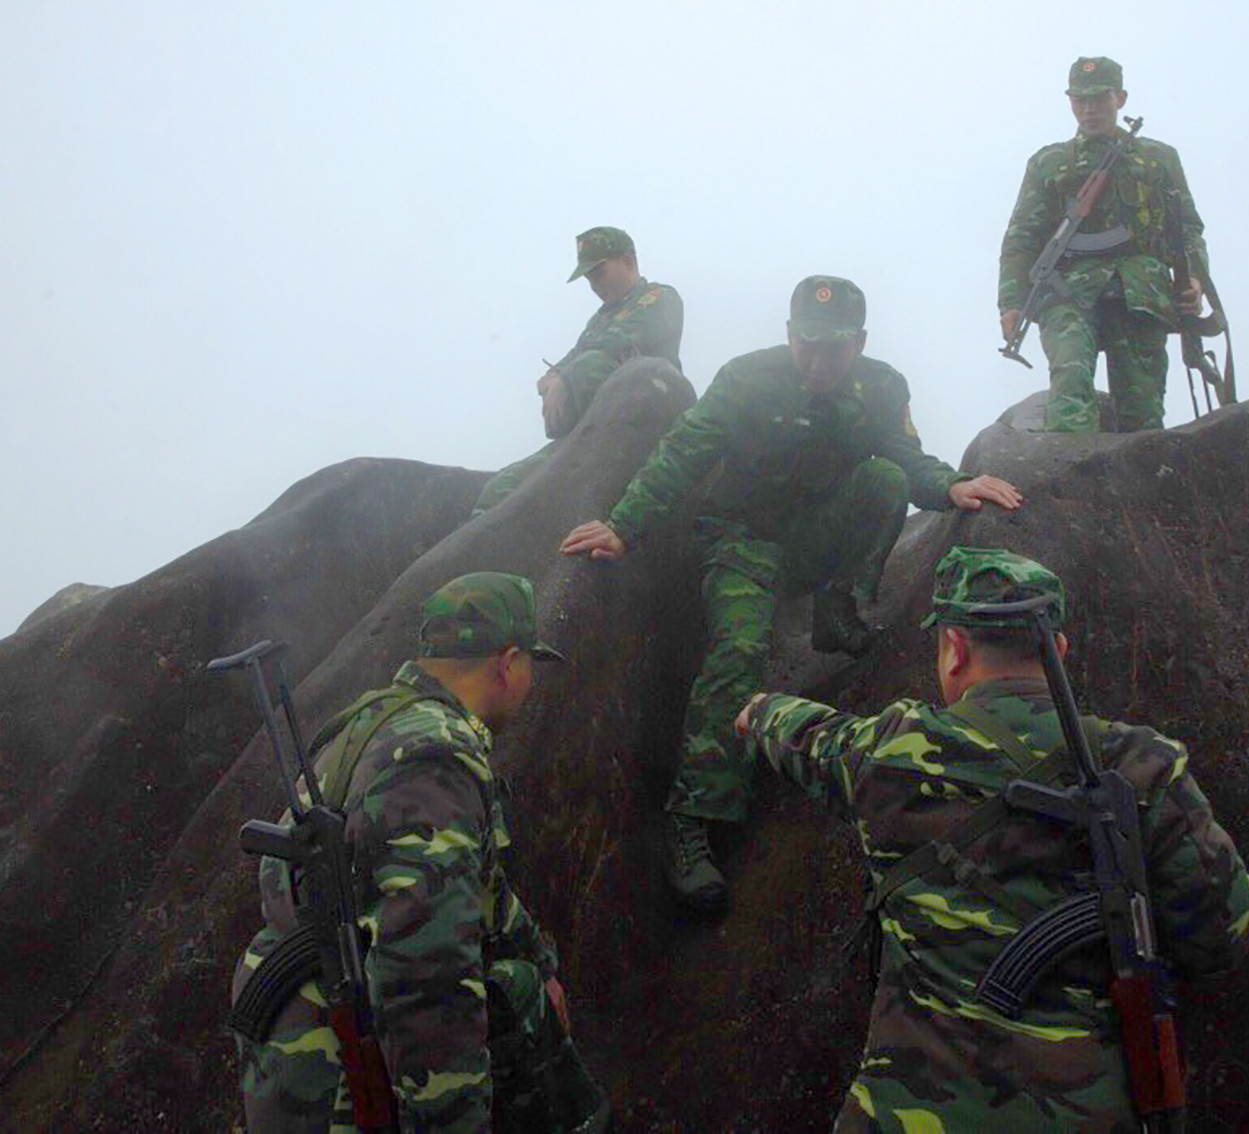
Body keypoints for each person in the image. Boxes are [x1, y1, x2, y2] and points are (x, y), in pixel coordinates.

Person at [736, 546, 1249, 1130]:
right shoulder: (1143, 766)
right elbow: (1225, 937)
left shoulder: (891, 750)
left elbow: (810, 735)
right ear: (1059, 648)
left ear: (954, 647)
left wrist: (758, 709)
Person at [559, 277, 1024, 912]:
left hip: (814, 538)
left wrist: (951, 485)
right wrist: (623, 525)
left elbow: (903, 456)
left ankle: (838, 606)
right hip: (741, 539)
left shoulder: (881, 388)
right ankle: (695, 818)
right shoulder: (746, 379)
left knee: (885, 481)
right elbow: (684, 450)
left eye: (833, 347)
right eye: (807, 343)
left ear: (859, 343)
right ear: (787, 334)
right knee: (739, 650)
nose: (818, 360)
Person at [230, 572, 607, 1132]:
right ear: (507, 664)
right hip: (336, 1065)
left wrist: (543, 964)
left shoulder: (374, 721)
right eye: (530, 663)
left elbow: (481, 887)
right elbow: (428, 982)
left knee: (523, 984)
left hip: (289, 1028)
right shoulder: (436, 758)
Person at [999, 56, 1209, 434]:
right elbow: (1022, 237)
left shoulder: (1158, 158)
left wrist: (1194, 280)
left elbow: (1188, 228)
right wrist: (1011, 302)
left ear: (1120, 98)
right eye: (1080, 100)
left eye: (1099, 98)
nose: (1089, 109)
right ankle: (1070, 471)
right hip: (1067, 291)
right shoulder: (1049, 163)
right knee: (1070, 394)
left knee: (1142, 413)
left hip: (1142, 292)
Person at [472, 225, 685, 516]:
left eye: (599, 273)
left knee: (590, 365)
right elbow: (567, 362)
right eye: (588, 278)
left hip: (644, 424)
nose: (593, 285)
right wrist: (554, 379)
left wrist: (564, 377)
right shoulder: (598, 321)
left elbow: (613, 345)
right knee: (502, 487)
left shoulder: (659, 297)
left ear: (627, 262)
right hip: (588, 432)